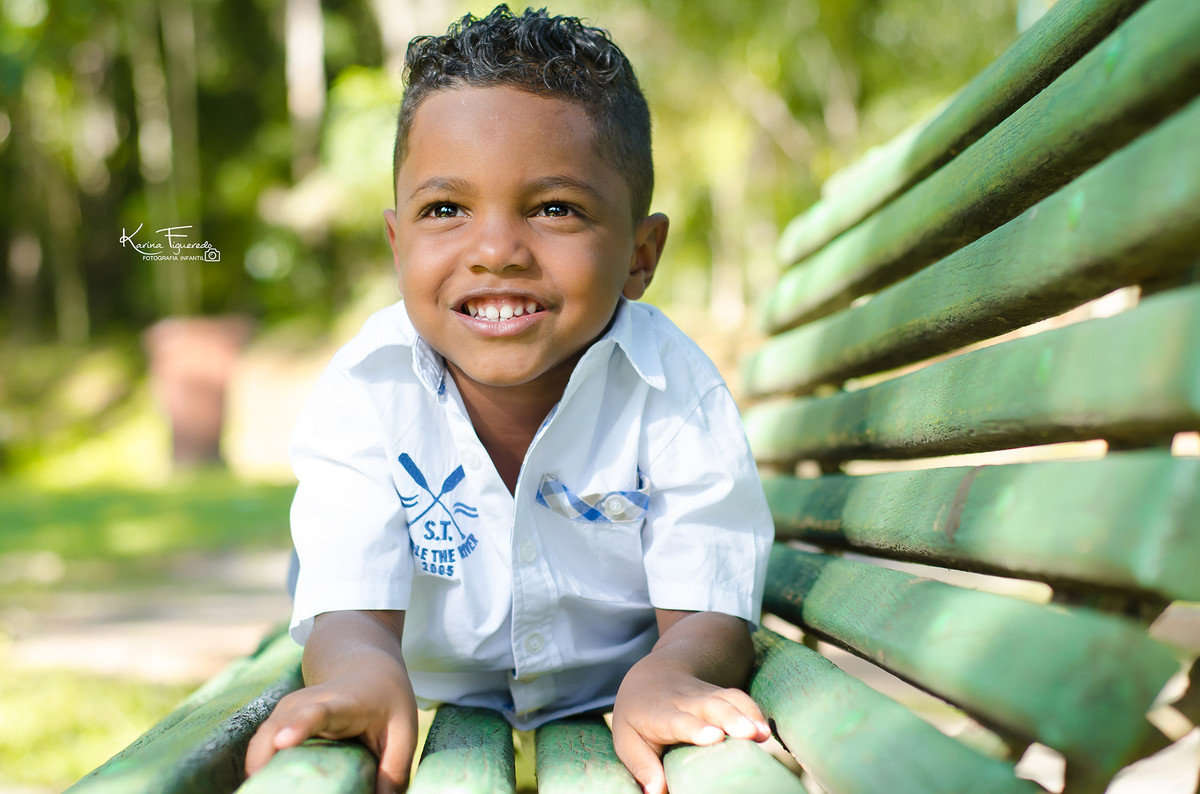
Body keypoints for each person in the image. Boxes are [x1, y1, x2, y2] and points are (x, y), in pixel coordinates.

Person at [244, 6, 774, 793]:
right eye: (445, 210)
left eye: (554, 207)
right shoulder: (367, 390)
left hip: (606, 681)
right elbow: (349, 607)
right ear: (398, 245)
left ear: (641, 253)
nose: (494, 251)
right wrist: (358, 669)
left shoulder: (675, 390)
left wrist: (671, 671)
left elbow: (710, 602)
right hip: (435, 673)